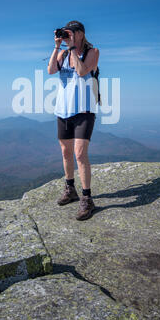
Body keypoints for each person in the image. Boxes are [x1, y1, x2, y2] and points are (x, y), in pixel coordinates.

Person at [47, 20, 100, 220]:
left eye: (70, 33)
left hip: (84, 111)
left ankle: (87, 199)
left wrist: (72, 49)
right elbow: (51, 70)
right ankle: (70, 189)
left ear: (80, 34)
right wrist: (57, 47)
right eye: (65, 33)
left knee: (79, 154)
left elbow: (81, 71)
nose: (67, 36)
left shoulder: (92, 52)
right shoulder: (62, 53)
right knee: (65, 152)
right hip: (63, 111)